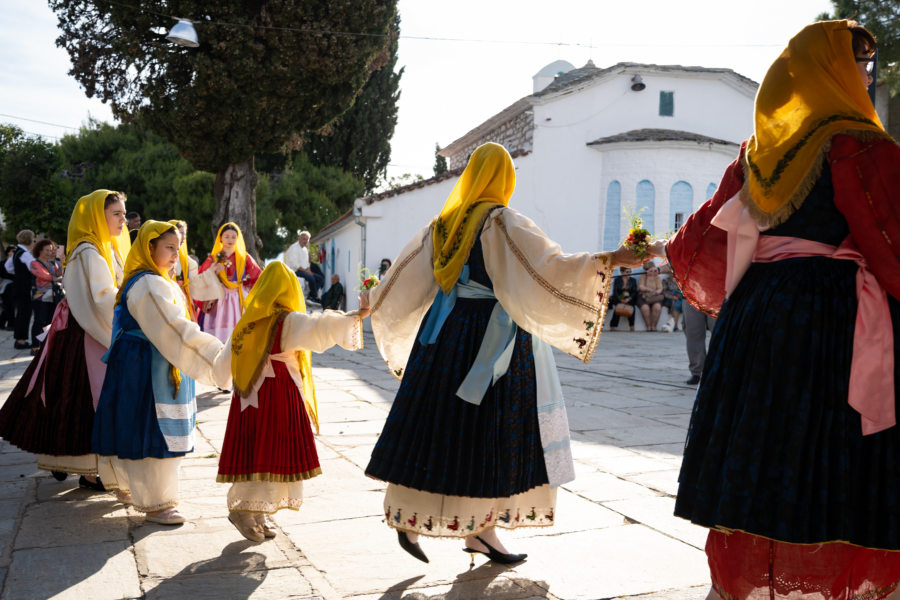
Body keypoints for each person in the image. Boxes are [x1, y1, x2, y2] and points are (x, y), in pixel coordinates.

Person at [649, 21, 900, 599]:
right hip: (835, 318)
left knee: (764, 445)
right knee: (834, 450)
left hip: (759, 321)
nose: (867, 76)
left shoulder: (761, 154)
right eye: (861, 64)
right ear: (839, 71)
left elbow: (701, 244)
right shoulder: (861, 145)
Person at [364, 142, 642, 565]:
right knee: (489, 434)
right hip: (491, 341)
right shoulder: (502, 221)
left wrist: (374, 302)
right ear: (504, 179)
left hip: (443, 339)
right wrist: (613, 259)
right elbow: (552, 266)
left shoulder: (442, 226)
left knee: (434, 426)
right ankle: (483, 532)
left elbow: (402, 278)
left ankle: (410, 517)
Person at [215, 262, 366, 541]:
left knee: (254, 449)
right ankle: (243, 510)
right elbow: (320, 326)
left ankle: (257, 510)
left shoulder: (248, 323)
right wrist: (356, 316)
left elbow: (224, 363)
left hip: (248, 398)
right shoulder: (287, 320)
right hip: (276, 394)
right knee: (269, 450)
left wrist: (224, 379)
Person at [93, 221, 228, 524]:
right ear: (148, 246)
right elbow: (174, 329)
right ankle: (156, 501)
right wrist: (216, 356)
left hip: (144, 360)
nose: (174, 253)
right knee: (150, 427)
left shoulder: (153, 280)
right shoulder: (148, 284)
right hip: (145, 365)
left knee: (139, 423)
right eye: (168, 247)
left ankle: (137, 489)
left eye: (178, 247)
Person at [0, 190, 131, 488]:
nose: (123, 219)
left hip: (85, 328)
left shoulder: (103, 247)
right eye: (117, 214)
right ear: (99, 215)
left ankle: (85, 466)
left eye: (124, 213)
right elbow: (101, 298)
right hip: (85, 331)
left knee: (76, 398)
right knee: (85, 398)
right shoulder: (89, 251)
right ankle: (88, 469)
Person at [197, 223, 261, 344]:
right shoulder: (214, 258)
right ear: (220, 238)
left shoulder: (244, 257)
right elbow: (201, 277)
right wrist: (213, 272)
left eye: (233, 236)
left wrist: (246, 284)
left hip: (238, 296)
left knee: (239, 330)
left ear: (238, 238)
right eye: (226, 236)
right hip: (219, 298)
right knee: (216, 331)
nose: (230, 240)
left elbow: (258, 276)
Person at [167, 220, 221, 321]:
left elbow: (196, 283)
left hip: (184, 301)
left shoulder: (189, 262)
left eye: (184, 233)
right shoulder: (162, 257)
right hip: (167, 298)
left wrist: (211, 273)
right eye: (179, 233)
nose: (182, 237)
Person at [29, 239, 63, 354]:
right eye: (47, 250)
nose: (49, 252)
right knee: (39, 320)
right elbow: (45, 276)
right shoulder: (34, 263)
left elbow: (60, 274)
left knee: (50, 321)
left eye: (51, 250)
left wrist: (62, 261)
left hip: (53, 296)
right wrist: (57, 278)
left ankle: (45, 345)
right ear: (40, 250)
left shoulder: (54, 263)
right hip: (40, 297)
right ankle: (35, 346)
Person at [8, 230, 36, 350]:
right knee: (25, 313)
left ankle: (19, 339)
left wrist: (18, 274)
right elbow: (34, 268)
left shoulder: (16, 252)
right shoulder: (25, 254)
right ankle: (21, 341)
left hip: (17, 286)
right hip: (24, 287)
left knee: (21, 313)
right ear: (29, 239)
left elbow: (8, 267)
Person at [681, 302, 715, 385]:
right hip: (691, 294)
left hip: (715, 295)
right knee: (693, 333)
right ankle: (696, 372)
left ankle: (719, 369)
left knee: (719, 332)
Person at [284, 231, 322, 302]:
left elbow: (307, 263)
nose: (305, 241)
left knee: (320, 279)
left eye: (307, 239)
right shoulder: (294, 248)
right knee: (311, 279)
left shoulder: (305, 250)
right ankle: (314, 297)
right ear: (299, 239)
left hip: (304, 270)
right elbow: (295, 264)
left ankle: (311, 295)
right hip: (294, 271)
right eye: (304, 239)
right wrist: (306, 271)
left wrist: (309, 270)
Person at [636, 261, 664, 331]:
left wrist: (652, 292)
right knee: (645, 308)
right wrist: (651, 290)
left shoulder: (657, 278)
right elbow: (640, 287)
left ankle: (654, 326)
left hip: (654, 297)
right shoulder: (643, 276)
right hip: (643, 296)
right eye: (645, 269)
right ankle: (648, 326)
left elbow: (660, 289)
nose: (646, 271)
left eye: (647, 269)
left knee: (657, 307)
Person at [608, 267, 638, 331]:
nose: (629, 273)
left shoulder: (633, 280)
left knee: (632, 307)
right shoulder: (617, 280)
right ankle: (613, 325)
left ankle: (631, 325)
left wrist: (628, 299)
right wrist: (620, 299)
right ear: (622, 272)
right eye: (627, 272)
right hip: (619, 297)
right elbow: (615, 291)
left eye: (630, 272)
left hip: (629, 298)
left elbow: (634, 291)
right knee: (617, 307)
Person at [0, 245, 16, 330]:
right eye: (12, 251)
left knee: (11, 306)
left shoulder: (16, 263)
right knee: (6, 306)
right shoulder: (2, 263)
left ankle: (11, 324)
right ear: (8, 252)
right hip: (5, 286)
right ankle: (3, 323)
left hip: (13, 286)